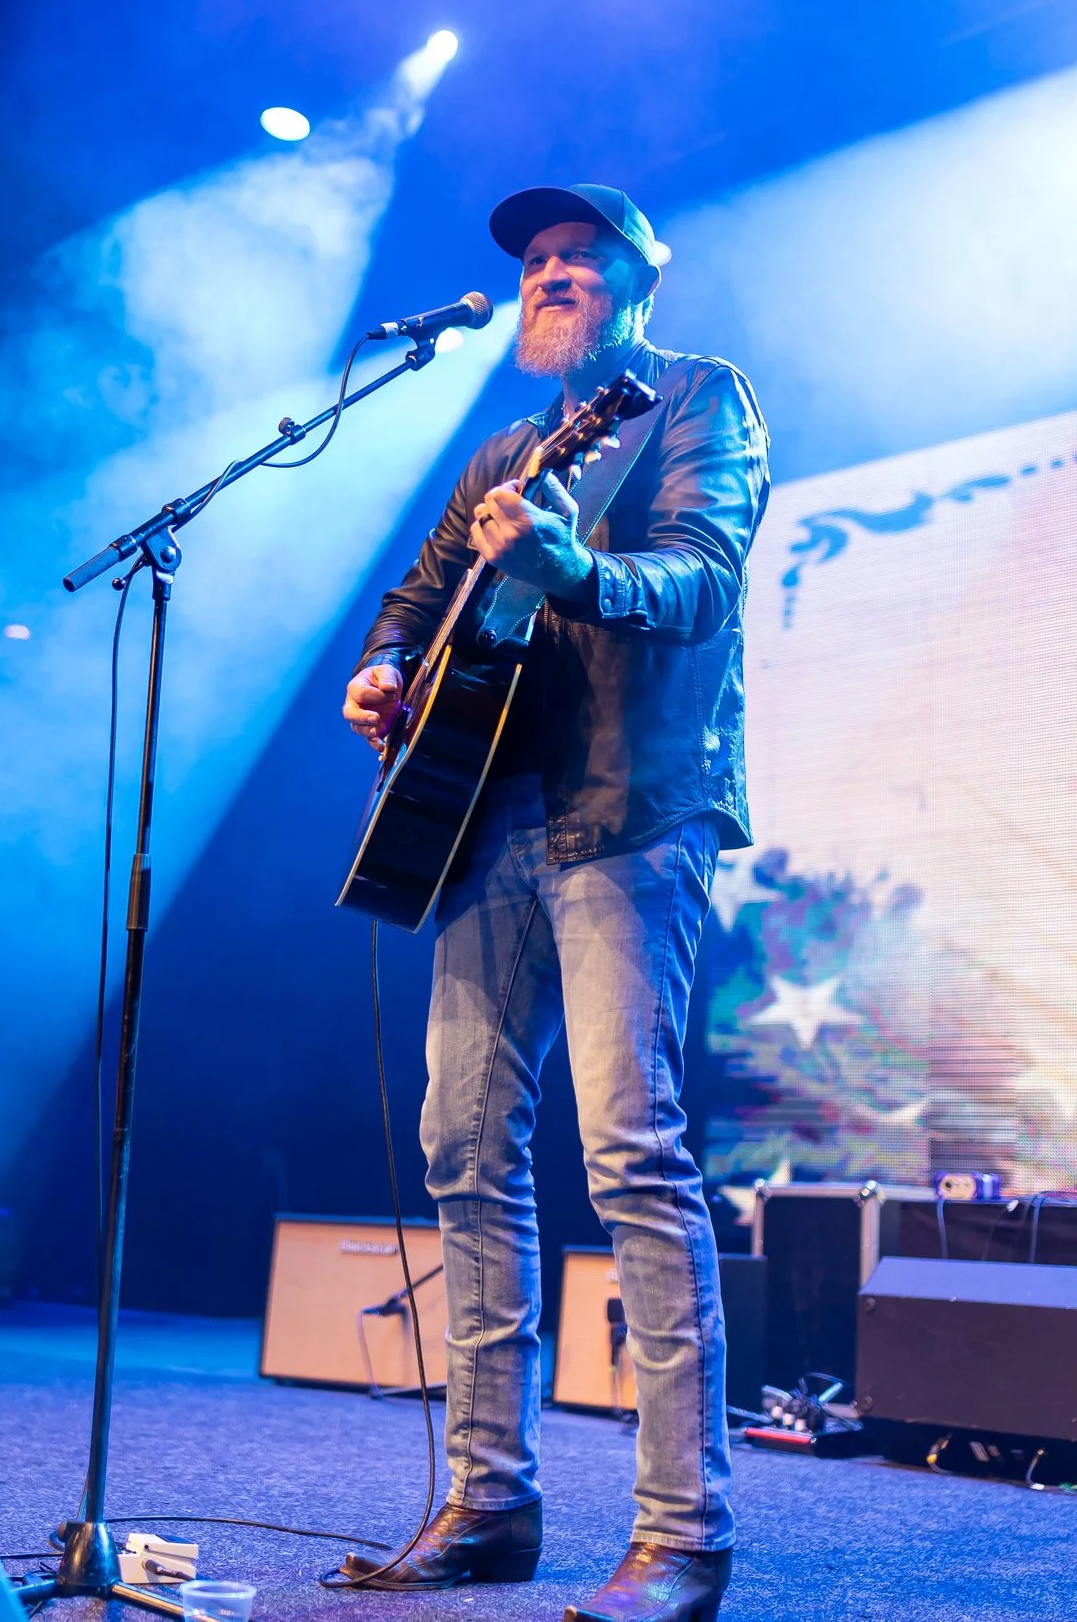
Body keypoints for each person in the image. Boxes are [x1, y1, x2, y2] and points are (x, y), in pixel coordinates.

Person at [335, 185, 768, 1622]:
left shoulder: (700, 398)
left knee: (630, 1151)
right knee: (461, 1143)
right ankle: (490, 1502)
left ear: (641, 282)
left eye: (581, 257)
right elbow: (418, 594)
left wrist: (573, 567)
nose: (551, 275)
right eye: (536, 262)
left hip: (632, 808)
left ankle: (684, 1535)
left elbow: (702, 582)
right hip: (488, 819)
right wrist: (384, 665)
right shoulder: (505, 453)